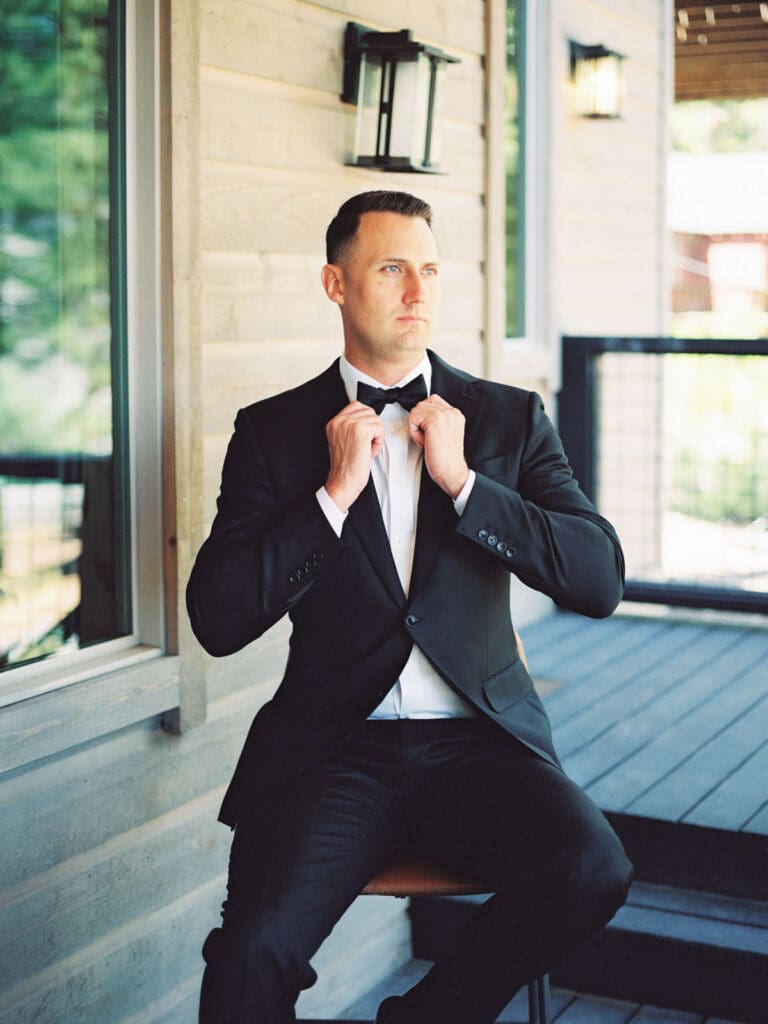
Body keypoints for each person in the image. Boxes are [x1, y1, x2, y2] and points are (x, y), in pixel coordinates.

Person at [187, 190, 632, 1024]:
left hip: (480, 749)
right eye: (392, 269)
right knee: (249, 956)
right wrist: (328, 498)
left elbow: (599, 579)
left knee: (594, 867)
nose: (418, 292)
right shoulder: (273, 433)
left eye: (429, 270)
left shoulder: (507, 418)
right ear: (336, 285)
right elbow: (216, 618)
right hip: (334, 757)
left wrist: (467, 486)